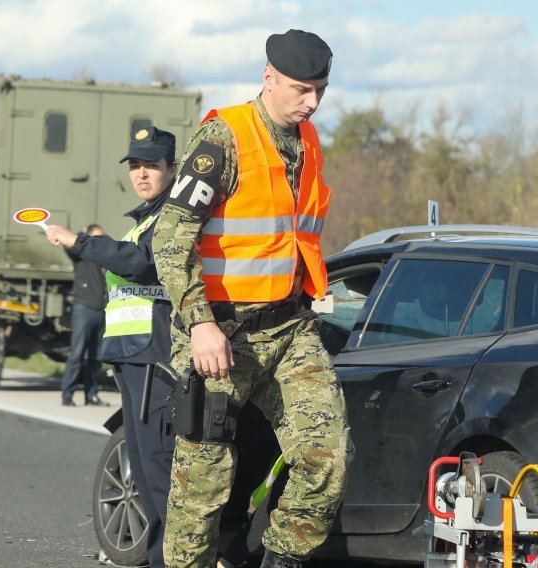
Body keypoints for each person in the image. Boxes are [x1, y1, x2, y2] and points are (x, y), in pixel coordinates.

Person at [153, 29, 352, 568]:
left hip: (289, 330)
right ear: (268, 78)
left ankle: (280, 561)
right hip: (221, 332)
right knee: (204, 480)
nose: (311, 102)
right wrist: (200, 324)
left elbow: (291, 238)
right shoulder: (224, 138)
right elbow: (170, 240)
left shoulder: (308, 143)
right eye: (300, 89)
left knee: (327, 458)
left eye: (321, 90)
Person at [45, 126, 178, 568]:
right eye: (135, 166)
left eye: (151, 166)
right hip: (131, 357)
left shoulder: (170, 217)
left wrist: (77, 240)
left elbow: (137, 263)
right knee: (141, 472)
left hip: (154, 360)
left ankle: (167, 561)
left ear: (172, 170)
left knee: (159, 475)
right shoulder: (143, 216)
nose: (141, 174)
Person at [59, 223, 108, 407]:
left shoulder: (104, 258)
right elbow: (68, 245)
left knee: (97, 356)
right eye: (97, 238)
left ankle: (92, 395)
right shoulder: (81, 255)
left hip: (101, 310)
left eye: (103, 238)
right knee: (77, 353)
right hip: (84, 309)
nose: (100, 242)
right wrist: (83, 235)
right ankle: (67, 395)